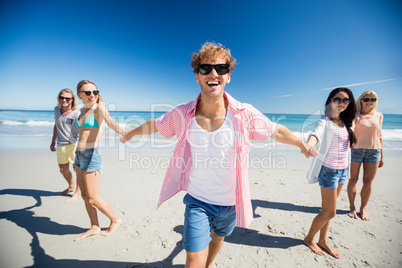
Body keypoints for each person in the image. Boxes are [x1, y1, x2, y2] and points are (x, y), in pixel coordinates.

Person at [122, 42, 311, 267]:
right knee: (193, 260)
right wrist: (130, 134)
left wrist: (301, 144)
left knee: (218, 238)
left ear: (228, 76)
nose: (213, 74)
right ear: (197, 76)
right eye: (205, 69)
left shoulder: (244, 113)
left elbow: (276, 130)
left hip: (231, 202)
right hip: (197, 200)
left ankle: (210, 263)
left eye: (220, 69)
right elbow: (157, 124)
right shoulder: (184, 113)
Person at [304, 87, 356, 259]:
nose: (341, 103)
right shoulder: (324, 120)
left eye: (345, 100)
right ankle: (309, 238)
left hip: (343, 171)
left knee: (328, 209)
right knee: (330, 212)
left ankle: (323, 240)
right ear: (330, 101)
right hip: (329, 171)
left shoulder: (347, 122)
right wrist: (310, 145)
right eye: (337, 99)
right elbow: (316, 134)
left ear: (349, 103)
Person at [73, 80, 125, 241]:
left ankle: (115, 219)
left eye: (95, 92)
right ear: (80, 94)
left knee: (93, 197)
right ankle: (95, 226)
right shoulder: (81, 110)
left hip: (91, 155)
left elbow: (110, 122)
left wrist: (125, 133)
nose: (92, 95)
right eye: (88, 93)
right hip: (79, 155)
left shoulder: (99, 108)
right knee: (84, 195)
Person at [347, 91, 383, 221]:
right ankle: (352, 207)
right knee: (353, 180)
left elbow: (379, 135)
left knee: (368, 182)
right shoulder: (355, 115)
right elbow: (350, 129)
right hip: (356, 150)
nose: (370, 101)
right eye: (367, 99)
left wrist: (382, 156)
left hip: (374, 151)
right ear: (361, 100)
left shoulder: (379, 115)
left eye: (373, 99)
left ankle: (363, 208)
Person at [50, 88, 81, 203]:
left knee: (77, 169)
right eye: (62, 97)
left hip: (74, 144)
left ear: (72, 100)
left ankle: (78, 191)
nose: (64, 100)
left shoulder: (76, 113)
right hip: (60, 144)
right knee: (63, 170)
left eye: (67, 98)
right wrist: (53, 141)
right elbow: (56, 125)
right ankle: (71, 185)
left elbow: (82, 128)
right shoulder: (56, 110)